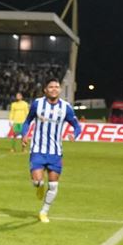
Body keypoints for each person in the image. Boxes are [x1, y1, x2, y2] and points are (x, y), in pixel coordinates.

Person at [20, 78, 82, 223]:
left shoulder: (66, 107)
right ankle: (39, 185)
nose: (54, 89)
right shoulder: (38, 104)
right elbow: (27, 121)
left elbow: (77, 125)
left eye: (57, 87)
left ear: (59, 90)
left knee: (53, 185)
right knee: (37, 181)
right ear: (45, 90)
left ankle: (44, 212)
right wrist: (24, 134)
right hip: (38, 150)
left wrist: (75, 134)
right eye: (51, 87)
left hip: (55, 152)